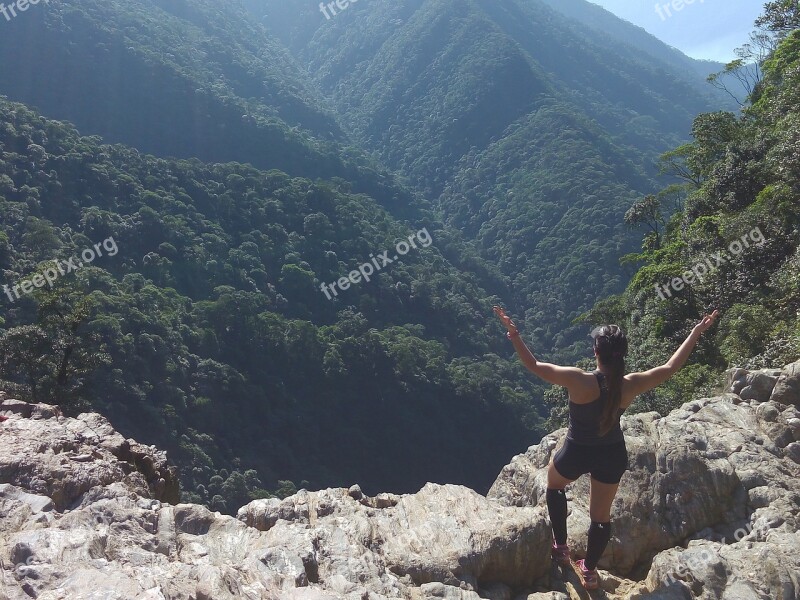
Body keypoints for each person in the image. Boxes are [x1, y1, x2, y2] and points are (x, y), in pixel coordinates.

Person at [493, 306, 719, 590]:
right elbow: (671, 367)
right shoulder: (630, 384)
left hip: (576, 451)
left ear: (595, 352)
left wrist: (514, 334)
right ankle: (589, 571)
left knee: (554, 485)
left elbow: (535, 366)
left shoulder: (579, 379)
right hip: (611, 454)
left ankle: (561, 548)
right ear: (621, 354)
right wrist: (696, 332)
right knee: (600, 517)